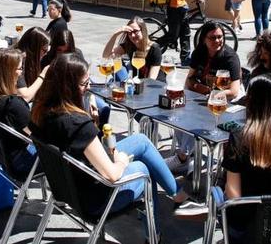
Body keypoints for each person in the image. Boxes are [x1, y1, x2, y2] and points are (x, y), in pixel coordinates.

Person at [29, 54, 184, 241]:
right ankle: (153, 235)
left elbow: (78, 145)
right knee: (142, 170)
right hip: (93, 199)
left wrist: (94, 124)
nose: (88, 89)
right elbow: (112, 175)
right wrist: (120, 161)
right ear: (67, 87)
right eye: (85, 84)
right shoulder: (77, 124)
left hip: (67, 187)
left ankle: (175, 193)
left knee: (141, 140)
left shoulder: (40, 111)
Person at [176, 74, 271, 232]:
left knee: (219, 191)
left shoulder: (240, 138)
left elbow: (233, 195)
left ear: (250, 102)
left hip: (248, 232)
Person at [167, 21, 242, 174]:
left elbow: (234, 91)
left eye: (220, 37)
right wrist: (205, 90)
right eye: (213, 38)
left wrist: (214, 94)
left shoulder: (230, 57)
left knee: (194, 118)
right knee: (179, 111)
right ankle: (190, 154)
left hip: (229, 101)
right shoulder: (199, 53)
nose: (217, 41)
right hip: (206, 96)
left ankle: (182, 157)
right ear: (204, 39)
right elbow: (189, 81)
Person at [0, 48, 37, 176]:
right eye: (20, 68)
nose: (21, 73)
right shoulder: (12, 104)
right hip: (21, 163)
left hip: (3, 158)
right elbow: (37, 135)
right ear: (9, 72)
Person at [102, 16, 162, 81]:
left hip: (154, 86)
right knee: (117, 67)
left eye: (135, 31)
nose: (132, 35)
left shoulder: (155, 49)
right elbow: (106, 55)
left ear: (143, 31)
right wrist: (115, 35)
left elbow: (151, 79)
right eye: (129, 32)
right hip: (136, 82)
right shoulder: (130, 45)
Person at [15, 27, 50, 102]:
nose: (46, 53)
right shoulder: (18, 61)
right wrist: (43, 75)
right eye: (44, 50)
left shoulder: (26, 59)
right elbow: (24, 97)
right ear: (34, 48)